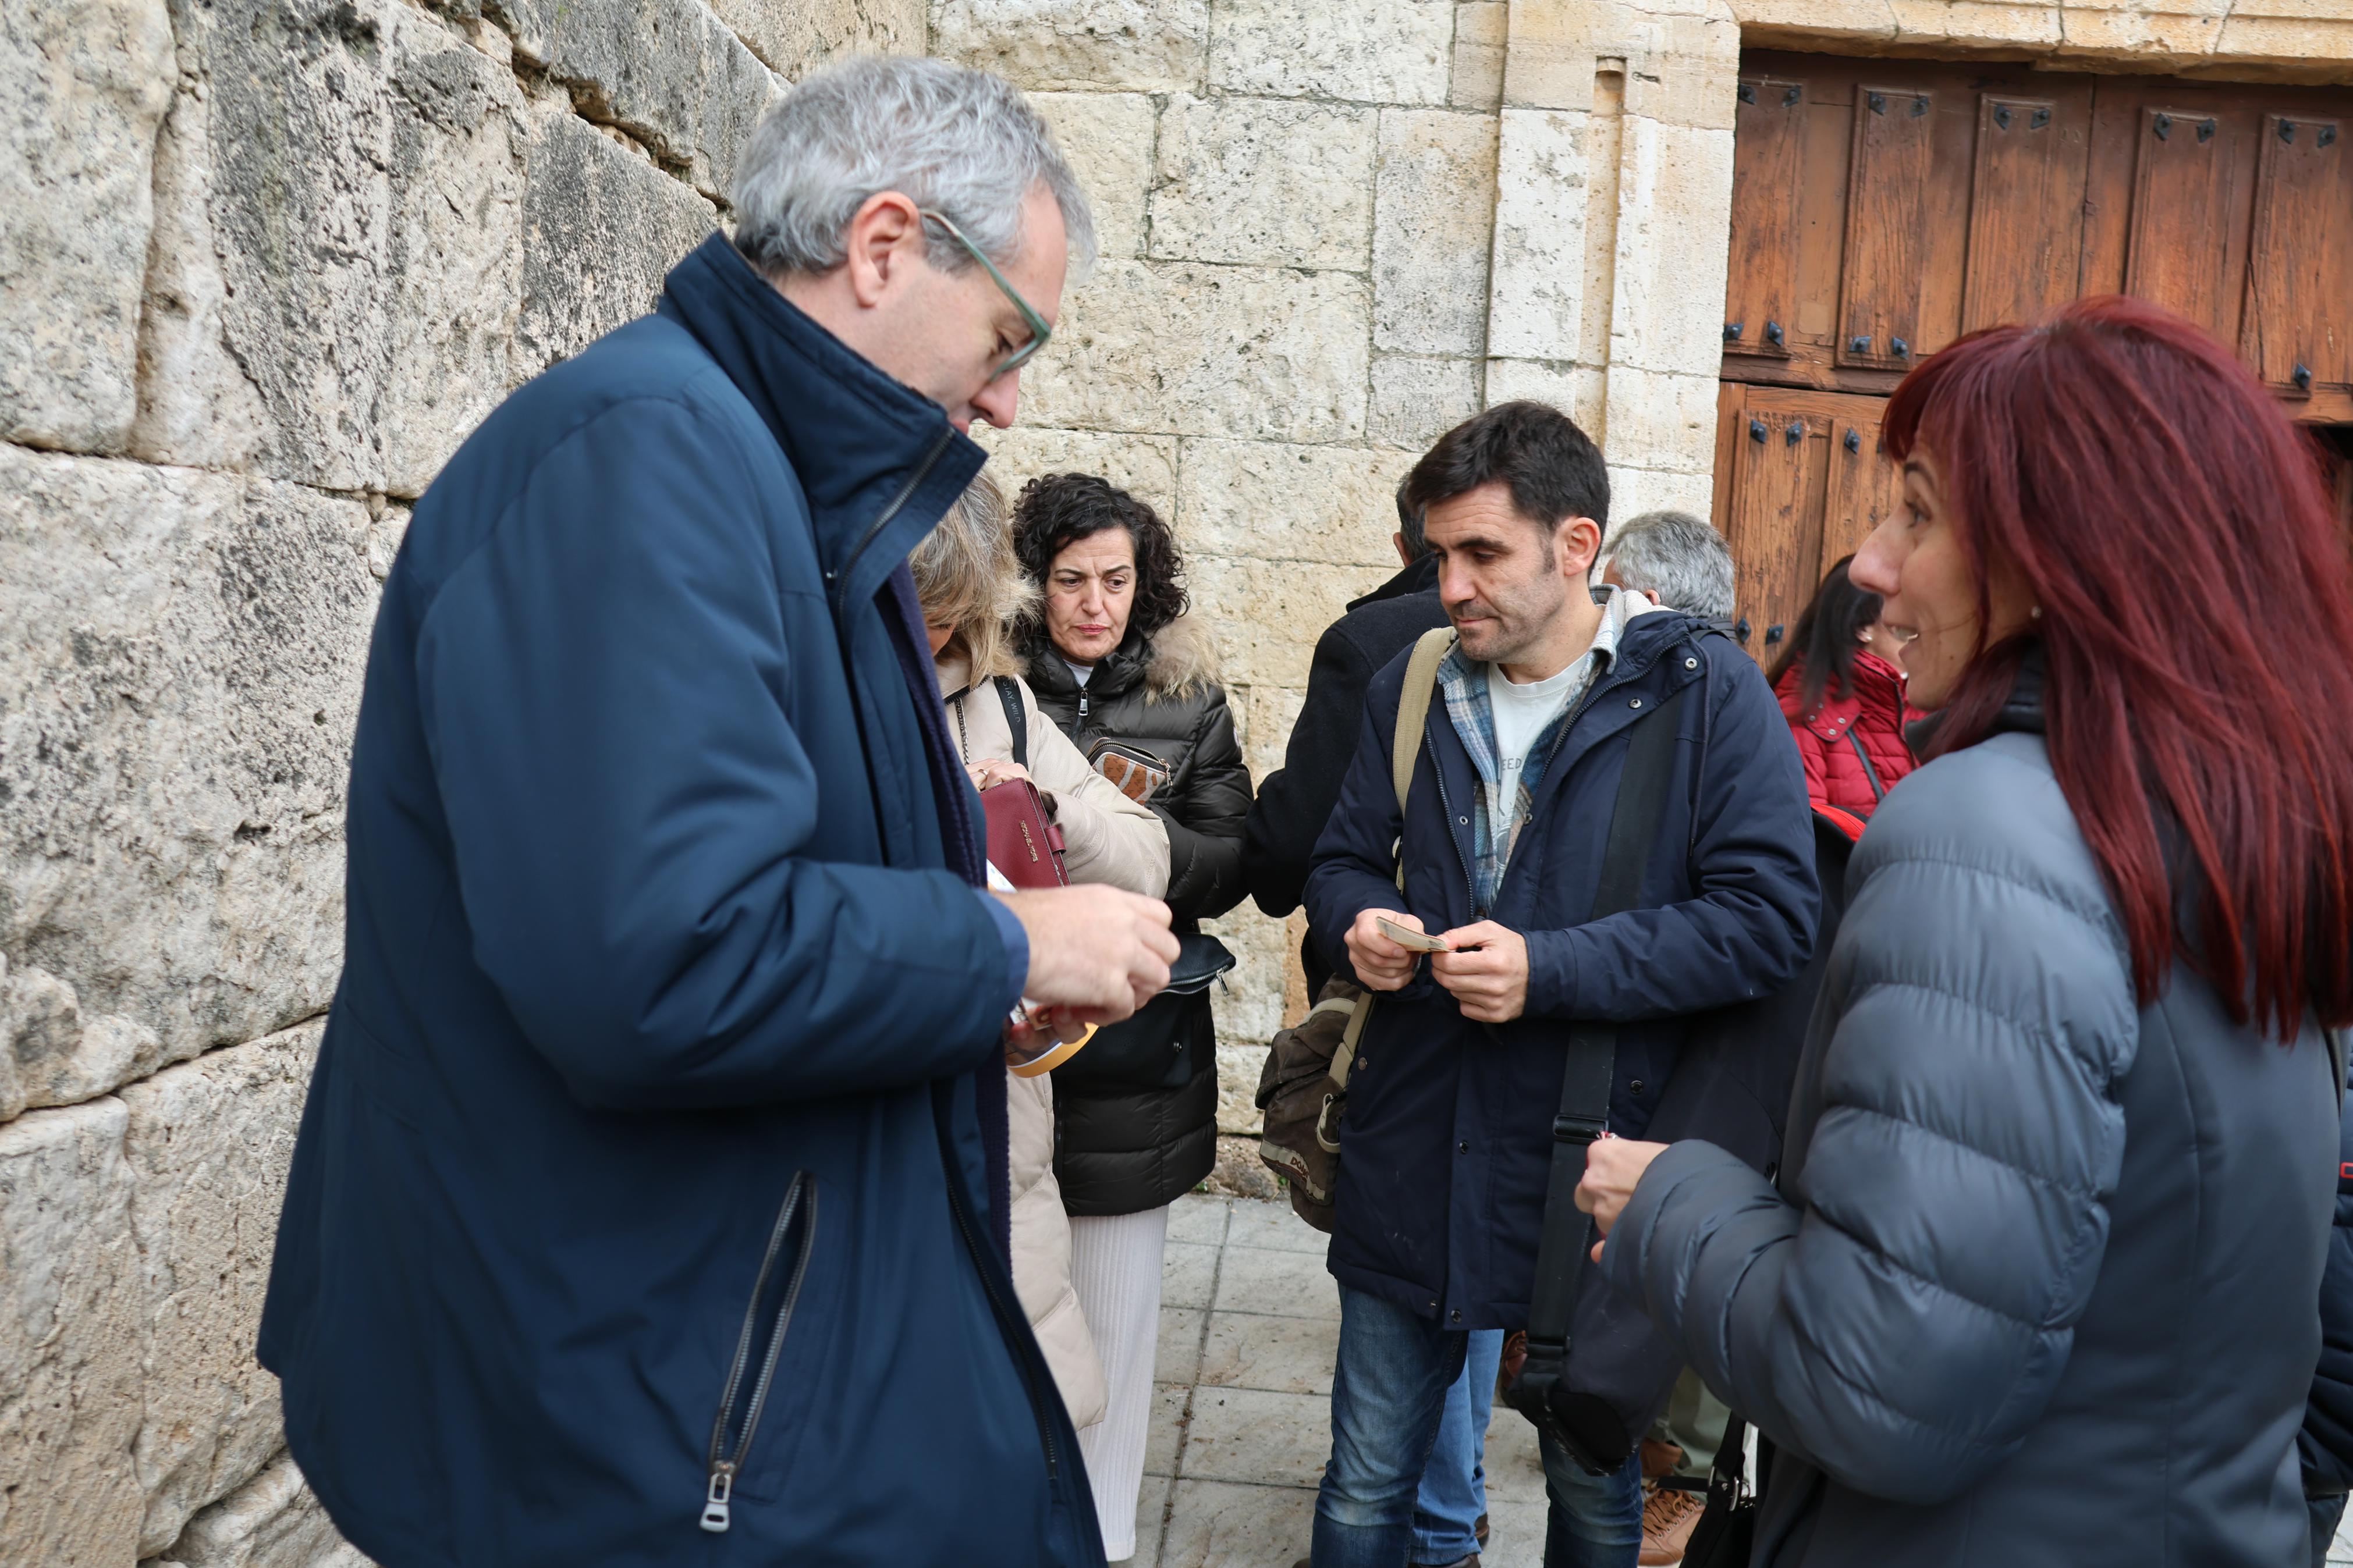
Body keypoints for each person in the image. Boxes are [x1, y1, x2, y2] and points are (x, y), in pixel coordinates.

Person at [258, 57, 1183, 1567]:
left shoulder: (786, 483)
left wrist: (968, 975)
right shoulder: (645, 456)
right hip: (631, 1422)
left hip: (700, 1385)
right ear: (884, 247)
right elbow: (667, 952)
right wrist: (999, 946)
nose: (1010, 395)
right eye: (1009, 334)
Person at [1580, 297, 2353, 1566]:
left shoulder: (1984, 834)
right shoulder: (2228, 825)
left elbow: (1882, 1387)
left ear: (2062, 559)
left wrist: (1673, 1200)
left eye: (1920, 513)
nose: (1871, 563)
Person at [1303, 401, 1819, 1568]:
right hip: (1409, 1147)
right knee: (1363, 1486)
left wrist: (1549, 969)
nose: (1450, 585)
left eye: (1480, 553)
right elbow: (1333, 861)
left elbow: (1767, 925)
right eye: (1438, 555)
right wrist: (1359, 924)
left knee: (1592, 1496)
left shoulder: (1704, 695)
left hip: (1595, 1176)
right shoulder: (1410, 681)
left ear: (1575, 546)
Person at [1244, 481, 1497, 1568]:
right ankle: (1458, 1497)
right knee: (1470, 1286)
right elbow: (1340, 851)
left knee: (1408, 1290)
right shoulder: (1417, 663)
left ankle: (1437, 1517)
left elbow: (1297, 842)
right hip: (1477, 1030)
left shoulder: (1369, 642)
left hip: (1406, 1033)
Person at [1012, 471, 1254, 1560]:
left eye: (1115, 580)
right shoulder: (990, 680)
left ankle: (1103, 1544)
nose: (1092, 604)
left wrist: (1113, 855)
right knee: (1013, 1332)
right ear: (1036, 581)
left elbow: (1231, 852)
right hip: (1011, 1054)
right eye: (1070, 581)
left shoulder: (1185, 697)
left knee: (1114, 1334)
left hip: (1134, 1057)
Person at [913, 471, 1172, 1438]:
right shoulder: (817, 694)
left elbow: (1151, 857)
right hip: (873, 1103)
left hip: (1004, 1118)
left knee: (1022, 1413)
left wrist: (1039, 804)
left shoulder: (998, 702)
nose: (932, 641)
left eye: (949, 616)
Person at [1592, 507, 1741, 1568]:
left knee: (1685, 1257)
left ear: (1642, 597)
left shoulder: (1719, 719)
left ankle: (1681, 1477)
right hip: (1650, 1033)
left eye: (1607, 587)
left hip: (1698, 1044)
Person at [1766, 556, 1919, 820]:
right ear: (1863, 628)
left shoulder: (1921, 700)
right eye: (1904, 628)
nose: (1917, 637)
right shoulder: (1801, 715)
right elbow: (1806, 837)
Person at [1598, 509, 1735, 627]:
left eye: (1608, 601)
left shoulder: (1667, 656)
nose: (1600, 613)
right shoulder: (1726, 653)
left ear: (1649, 602)